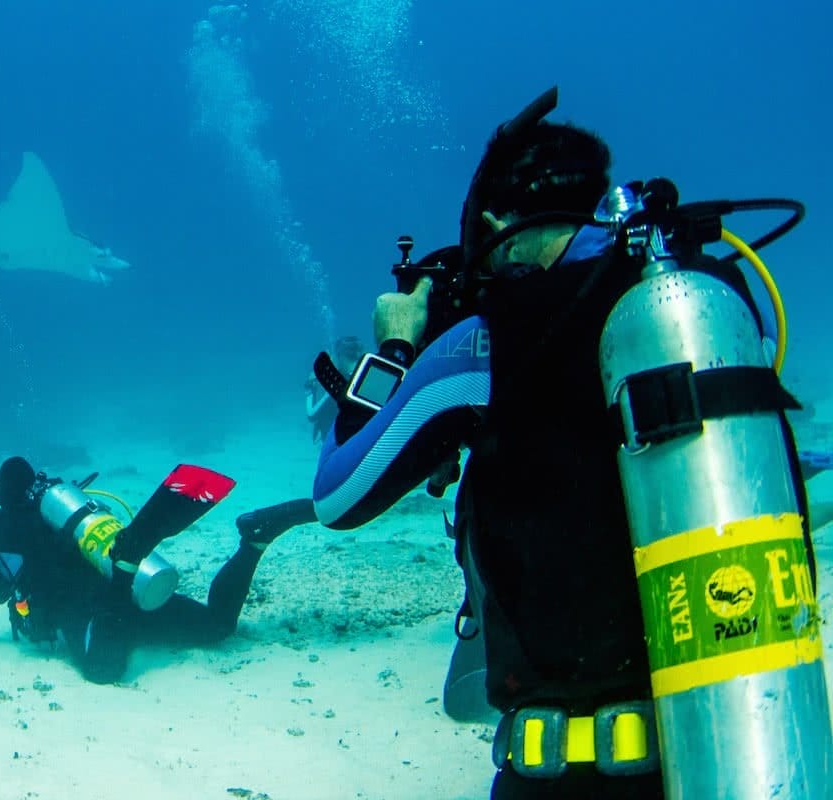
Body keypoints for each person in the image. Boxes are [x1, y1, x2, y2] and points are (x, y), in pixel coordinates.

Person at [316, 93, 818, 798]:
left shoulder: (489, 344)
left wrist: (399, 347)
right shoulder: (704, 305)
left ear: (494, 226)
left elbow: (337, 496)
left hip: (574, 773)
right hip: (737, 743)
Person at [0, 456, 316, 684]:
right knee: (217, 625)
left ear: (1, 494)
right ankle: (254, 540)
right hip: (130, 594)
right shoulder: (66, 502)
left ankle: (127, 561)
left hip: (91, 614)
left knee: (102, 670)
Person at [305, 335, 366, 442]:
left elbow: (312, 414)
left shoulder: (337, 383)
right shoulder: (365, 380)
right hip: (359, 440)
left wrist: (310, 387)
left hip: (337, 443)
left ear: (339, 356)